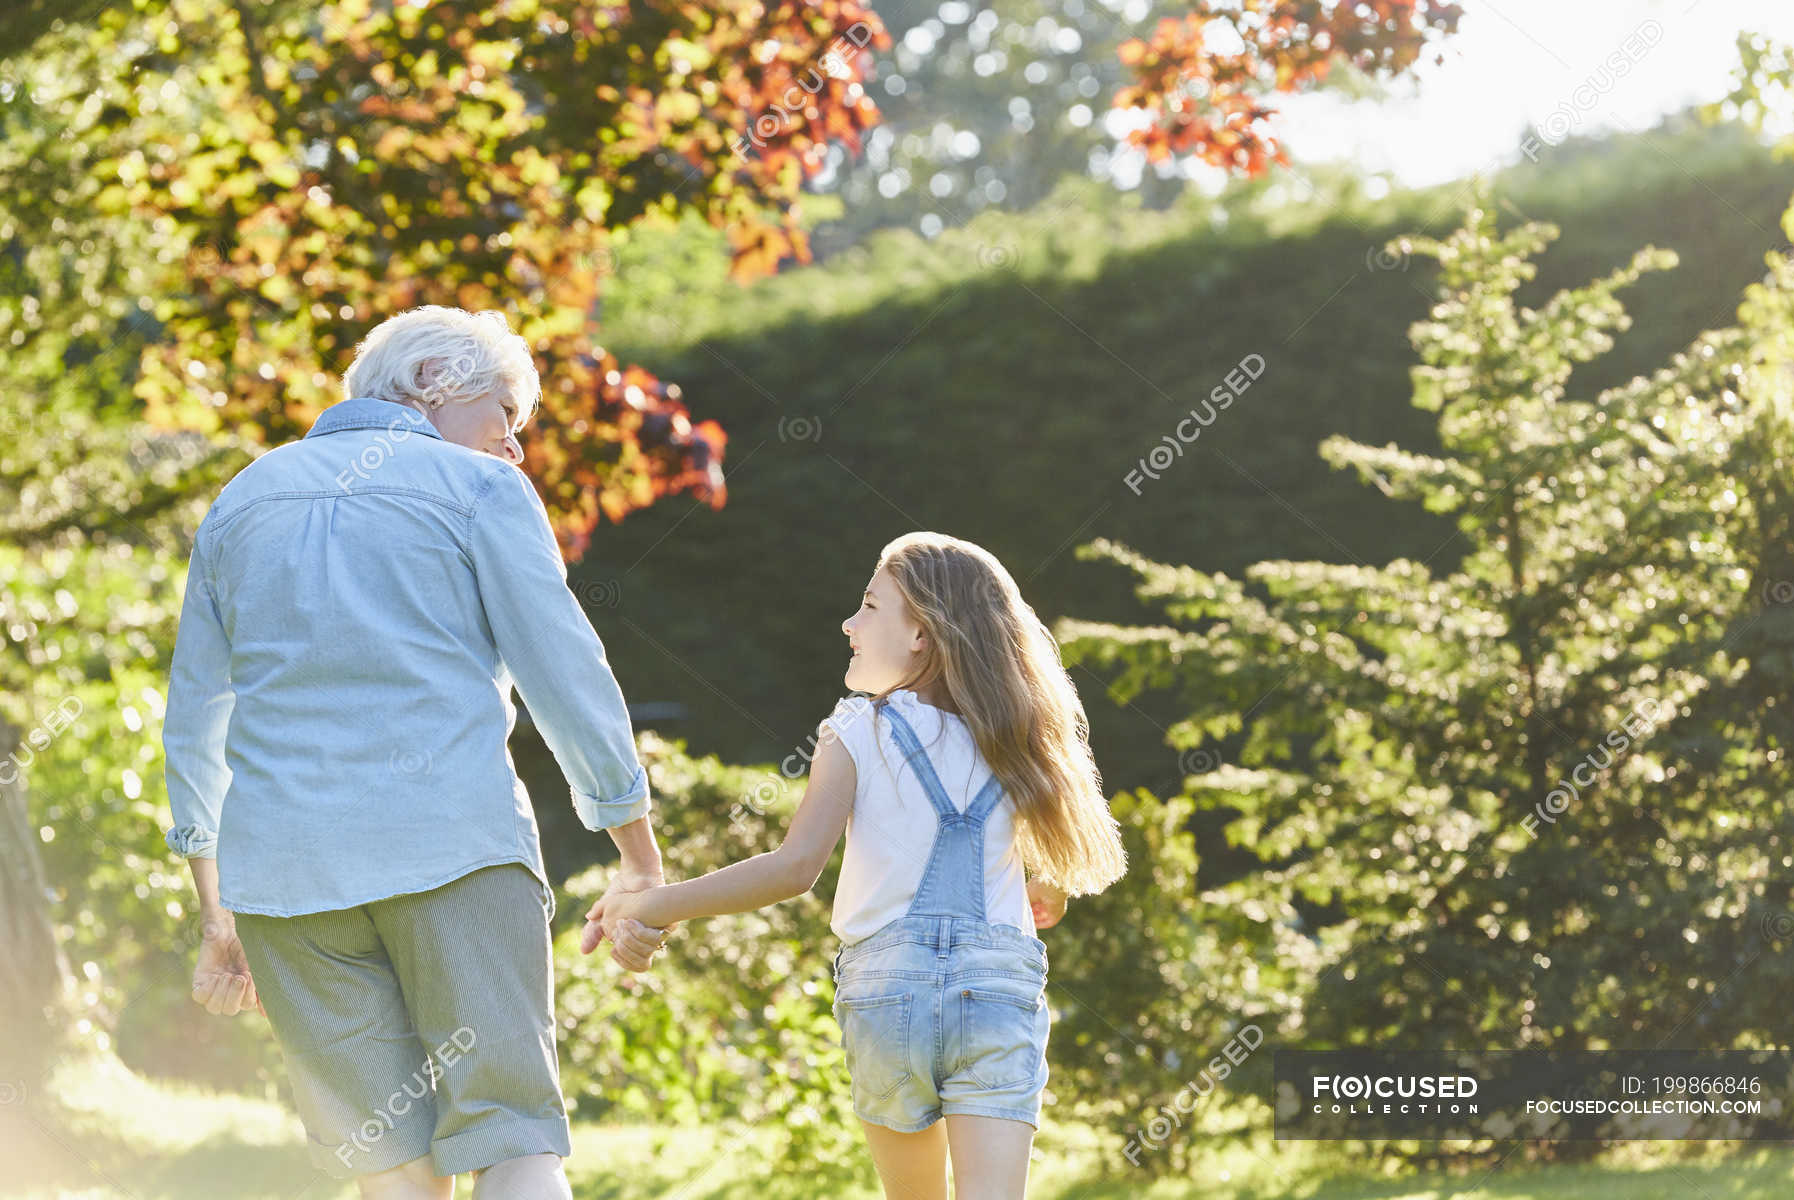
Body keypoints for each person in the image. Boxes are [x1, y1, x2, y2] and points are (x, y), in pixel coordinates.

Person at [162, 305, 670, 1200]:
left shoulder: (240, 500)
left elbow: (196, 719)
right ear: (435, 380)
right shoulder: (478, 491)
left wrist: (217, 911)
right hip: (455, 852)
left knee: (388, 1164)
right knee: (514, 1137)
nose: (513, 451)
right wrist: (637, 855)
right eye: (505, 423)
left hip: (285, 883)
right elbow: (567, 674)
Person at [586, 531, 1129, 1200]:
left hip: (888, 998)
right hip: (994, 993)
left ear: (921, 634)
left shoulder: (858, 730)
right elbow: (1040, 868)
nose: (849, 623)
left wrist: (653, 905)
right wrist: (1045, 891)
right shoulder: (1015, 738)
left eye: (870, 607)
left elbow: (793, 868)